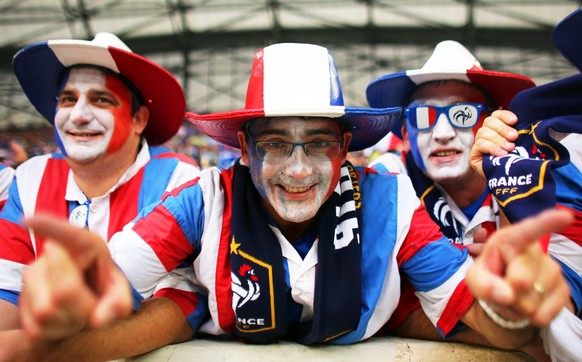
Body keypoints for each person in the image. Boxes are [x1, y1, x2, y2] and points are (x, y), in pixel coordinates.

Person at [12, 43, 572, 360]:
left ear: (347, 147)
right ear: (244, 150)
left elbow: (499, 328)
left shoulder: (389, 202)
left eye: (319, 143)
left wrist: (519, 300)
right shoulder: (202, 199)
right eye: (277, 143)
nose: (299, 170)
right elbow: (96, 293)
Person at [0, 32, 200, 349]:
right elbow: (9, 292)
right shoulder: (29, 178)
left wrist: (53, 352)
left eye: (101, 99)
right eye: (68, 99)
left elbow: (183, 304)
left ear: (138, 119)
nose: (78, 115)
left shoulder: (177, 178)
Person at [365, 40, 539, 347]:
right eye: (422, 117)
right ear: (405, 133)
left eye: (463, 114)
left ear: (495, 121)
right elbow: (380, 307)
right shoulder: (386, 181)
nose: (443, 133)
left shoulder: (533, 177)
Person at [471, 8, 582, 360]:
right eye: (425, 117)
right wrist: (509, 191)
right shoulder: (567, 163)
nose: (444, 132)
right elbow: (548, 289)